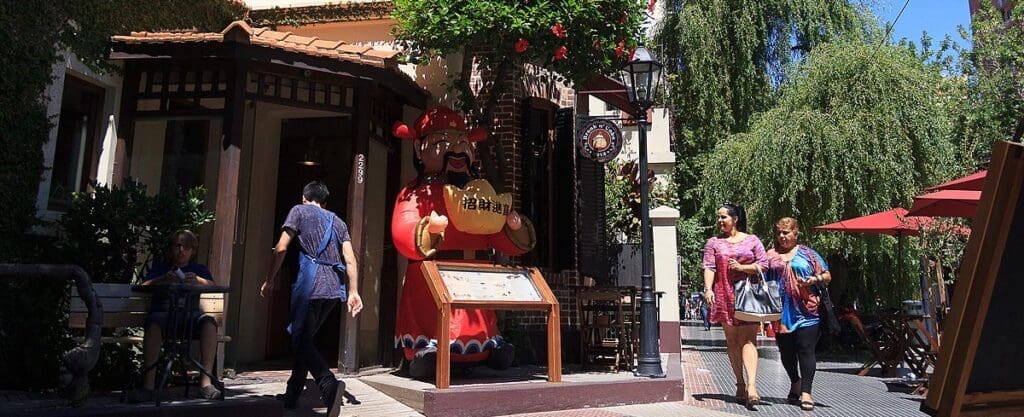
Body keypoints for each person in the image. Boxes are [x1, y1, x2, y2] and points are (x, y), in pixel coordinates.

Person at [391, 106, 536, 380]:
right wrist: (427, 229)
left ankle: (486, 346)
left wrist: (512, 229)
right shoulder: (414, 194)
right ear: (419, 149)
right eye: (441, 143)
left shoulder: (477, 193)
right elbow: (402, 230)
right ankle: (427, 350)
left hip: (475, 273)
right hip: (432, 273)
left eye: (462, 143)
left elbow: (493, 234)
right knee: (431, 318)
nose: (456, 151)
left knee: (477, 316)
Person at [260, 181, 363, 417]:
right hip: (332, 290)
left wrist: (270, 278)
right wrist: (354, 292)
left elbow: (281, 248)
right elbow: (350, 259)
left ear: (305, 197)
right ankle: (293, 394)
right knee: (304, 340)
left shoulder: (299, 211)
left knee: (299, 339)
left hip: (309, 284)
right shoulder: (338, 221)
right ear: (324, 202)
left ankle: (327, 383)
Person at [128, 230, 221, 402]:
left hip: (191, 318)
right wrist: (162, 279)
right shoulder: (161, 268)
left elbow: (214, 286)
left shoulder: (198, 269)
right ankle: (148, 386)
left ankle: (206, 384)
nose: (181, 250)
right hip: (164, 316)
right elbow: (142, 286)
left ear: (192, 251)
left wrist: (199, 281)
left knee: (209, 323)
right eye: (177, 245)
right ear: (171, 249)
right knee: (153, 323)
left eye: (186, 247)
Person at [702, 203, 768, 407]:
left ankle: (752, 385)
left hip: (748, 295)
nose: (720, 221)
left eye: (724, 217)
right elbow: (709, 266)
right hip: (724, 295)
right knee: (732, 341)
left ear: (735, 219)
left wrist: (743, 267)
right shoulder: (713, 243)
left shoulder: (752, 240)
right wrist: (708, 289)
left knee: (749, 340)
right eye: (718, 217)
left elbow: (764, 265)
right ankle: (739, 383)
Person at [765, 217, 831, 411]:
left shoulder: (808, 254)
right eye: (779, 233)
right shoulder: (770, 255)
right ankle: (795, 381)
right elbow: (760, 275)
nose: (782, 236)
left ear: (796, 233)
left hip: (807, 310)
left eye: (786, 232)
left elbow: (827, 275)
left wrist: (813, 279)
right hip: (780, 313)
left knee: (805, 349)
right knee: (786, 352)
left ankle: (806, 392)